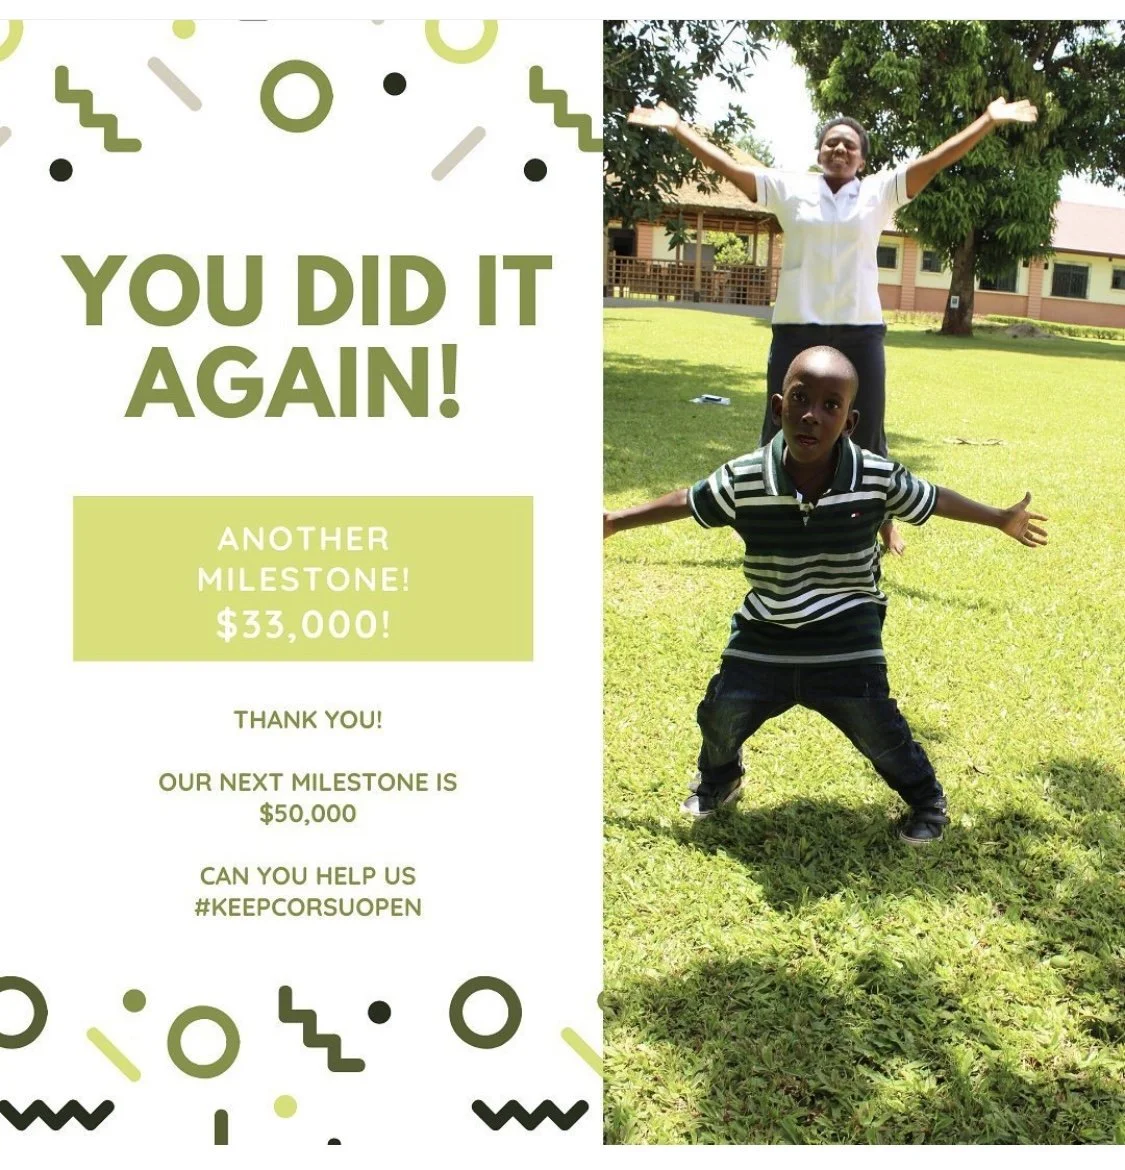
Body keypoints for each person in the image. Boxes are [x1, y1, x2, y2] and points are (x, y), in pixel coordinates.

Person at [602, 346, 1047, 844]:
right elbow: (688, 500)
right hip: (765, 631)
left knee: (877, 727)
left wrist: (999, 518)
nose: (813, 414)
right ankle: (720, 779)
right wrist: (613, 522)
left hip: (845, 631)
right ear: (778, 408)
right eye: (800, 399)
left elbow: (934, 497)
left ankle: (926, 799)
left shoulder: (876, 477)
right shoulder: (744, 478)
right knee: (720, 714)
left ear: (850, 421)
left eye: (831, 405)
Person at [627, 97, 1038, 555]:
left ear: (862, 157)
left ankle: (880, 526)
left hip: (860, 332)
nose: (839, 149)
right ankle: (766, 519)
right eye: (830, 143)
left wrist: (987, 120)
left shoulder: (879, 193)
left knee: (868, 433)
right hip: (797, 331)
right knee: (778, 425)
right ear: (819, 152)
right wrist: (678, 127)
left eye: (849, 145)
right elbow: (730, 169)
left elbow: (935, 160)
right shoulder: (790, 189)